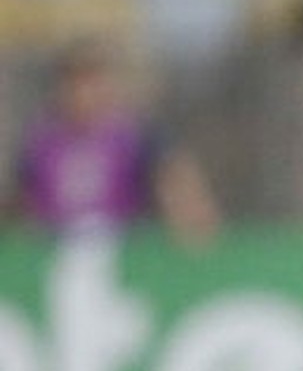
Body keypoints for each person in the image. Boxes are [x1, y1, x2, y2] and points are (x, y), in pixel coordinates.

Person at [8, 39, 220, 245]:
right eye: (74, 82)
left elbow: (183, 192)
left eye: (92, 81)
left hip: (124, 251)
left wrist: (188, 219)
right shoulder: (40, 142)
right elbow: (21, 209)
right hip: (56, 251)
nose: (83, 93)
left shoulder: (138, 136)